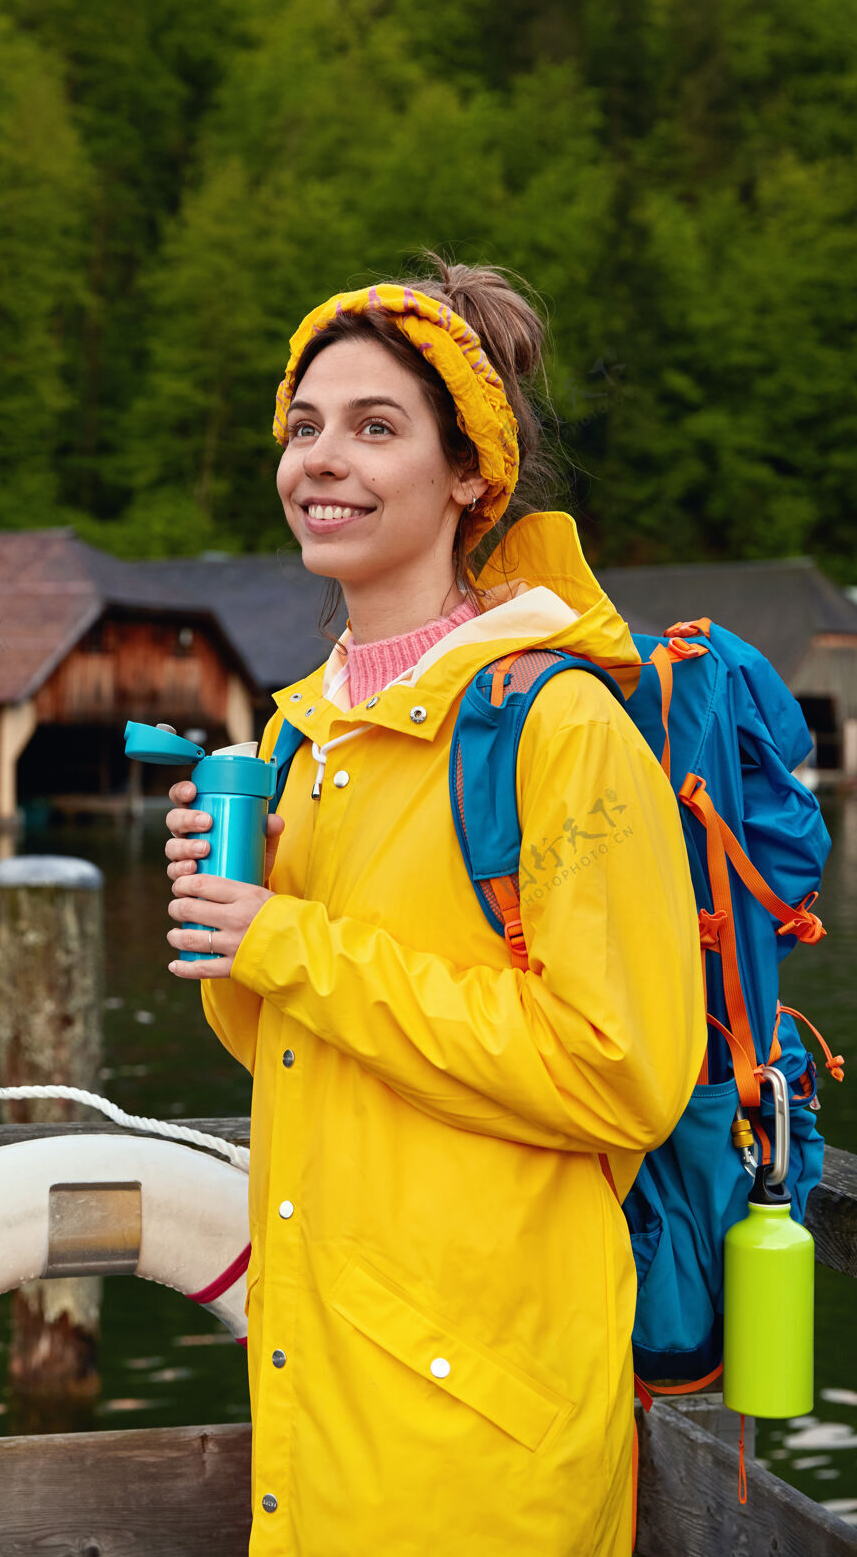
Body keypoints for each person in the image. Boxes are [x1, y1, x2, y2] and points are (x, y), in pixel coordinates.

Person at [163, 259, 704, 1556]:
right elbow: (283, 1046)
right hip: (321, 1406)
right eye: (304, 427)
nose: (322, 461)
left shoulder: (557, 725)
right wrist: (240, 931)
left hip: (485, 1439)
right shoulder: (303, 736)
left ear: (472, 477)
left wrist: (290, 940)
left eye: (376, 427)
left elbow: (620, 1071)